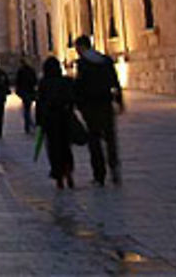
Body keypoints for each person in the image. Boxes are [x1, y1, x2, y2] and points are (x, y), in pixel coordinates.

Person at [73, 35, 124, 186]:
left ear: (82, 47)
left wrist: (78, 104)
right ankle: (114, 167)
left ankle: (99, 175)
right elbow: (115, 81)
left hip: (91, 107)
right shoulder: (105, 60)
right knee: (110, 138)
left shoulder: (83, 63)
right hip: (106, 104)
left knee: (94, 141)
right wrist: (119, 100)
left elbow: (80, 86)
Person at [36, 56, 77, 189]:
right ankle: (69, 172)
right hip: (64, 118)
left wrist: (39, 121)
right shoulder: (66, 81)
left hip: (50, 121)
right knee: (66, 147)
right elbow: (72, 99)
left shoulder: (44, 83)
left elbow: (40, 103)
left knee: (54, 148)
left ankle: (58, 176)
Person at [15, 58, 38, 134]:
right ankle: (29, 124)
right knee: (27, 107)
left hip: (24, 91)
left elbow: (18, 82)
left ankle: (28, 125)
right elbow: (35, 80)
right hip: (30, 91)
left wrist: (18, 91)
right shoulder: (31, 70)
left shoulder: (20, 71)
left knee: (26, 108)